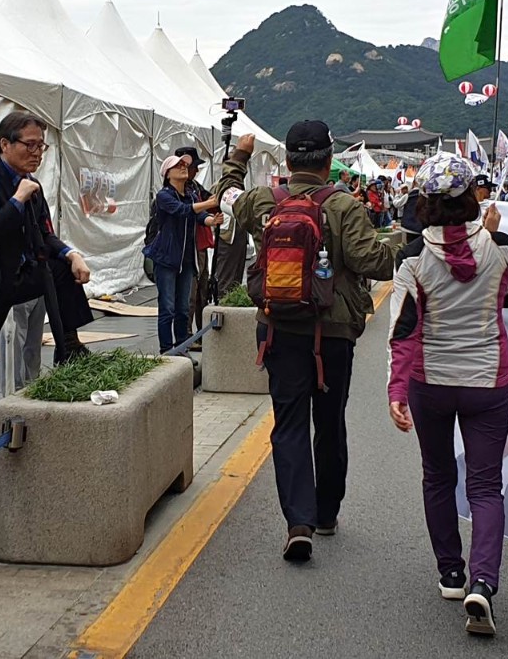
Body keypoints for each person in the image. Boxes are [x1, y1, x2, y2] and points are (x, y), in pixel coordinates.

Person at [213, 121, 397, 561]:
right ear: (328, 161)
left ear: (288, 160)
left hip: (278, 328)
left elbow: (226, 196)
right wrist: (400, 241)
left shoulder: (263, 201)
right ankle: (327, 512)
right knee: (330, 422)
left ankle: (299, 522)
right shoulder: (344, 205)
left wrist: (238, 157)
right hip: (333, 333)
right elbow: (375, 262)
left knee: (289, 423)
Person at [387, 154, 508, 636]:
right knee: (485, 486)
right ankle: (483, 582)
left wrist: (396, 389)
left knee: (438, 476)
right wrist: (490, 235)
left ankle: (451, 573)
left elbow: (403, 331)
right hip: (488, 381)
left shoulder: (412, 257)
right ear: (471, 198)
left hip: (432, 383)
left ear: (424, 203)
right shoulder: (501, 246)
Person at [0, 112, 94, 362]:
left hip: (29, 271)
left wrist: (72, 254)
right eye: (30, 145)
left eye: (41, 146)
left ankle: (69, 344)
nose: (37, 153)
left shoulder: (32, 183)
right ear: (5, 144)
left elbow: (45, 233)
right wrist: (17, 200)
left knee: (63, 269)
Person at [144, 154, 222, 353]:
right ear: (167, 173)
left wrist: (211, 220)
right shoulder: (164, 196)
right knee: (167, 307)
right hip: (166, 259)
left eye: (185, 164)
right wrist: (208, 204)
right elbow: (182, 210)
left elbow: (199, 216)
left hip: (187, 260)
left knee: (183, 309)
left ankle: (181, 349)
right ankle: (166, 351)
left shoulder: (191, 194)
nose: (184, 167)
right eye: (177, 165)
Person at [179, 147, 214, 337]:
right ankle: (185, 335)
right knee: (189, 294)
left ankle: (201, 333)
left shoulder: (194, 187)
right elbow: (192, 211)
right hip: (187, 249)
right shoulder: (174, 192)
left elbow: (209, 201)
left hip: (199, 244)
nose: (197, 170)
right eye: (194, 167)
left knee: (203, 289)